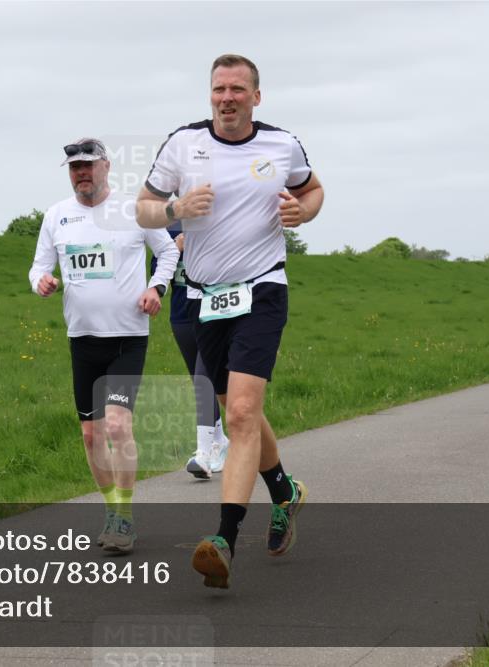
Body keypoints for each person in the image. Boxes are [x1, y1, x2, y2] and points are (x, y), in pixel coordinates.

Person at [136, 55, 325, 588]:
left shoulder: (281, 144)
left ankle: (223, 538)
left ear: (256, 98)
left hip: (263, 288)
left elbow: (313, 189)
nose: (227, 98)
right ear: (210, 95)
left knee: (241, 413)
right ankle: (283, 490)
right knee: (235, 409)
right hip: (205, 297)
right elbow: (142, 210)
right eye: (219, 89)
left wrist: (303, 212)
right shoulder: (182, 144)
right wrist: (175, 208)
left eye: (238, 89)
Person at [29, 138, 179, 553]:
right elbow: (39, 265)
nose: (81, 173)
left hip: (127, 338)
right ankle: (112, 510)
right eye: (74, 167)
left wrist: (156, 287)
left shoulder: (134, 211)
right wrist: (41, 281)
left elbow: (167, 253)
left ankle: (126, 519)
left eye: (88, 165)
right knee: (92, 434)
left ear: (106, 167)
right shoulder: (57, 216)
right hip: (83, 339)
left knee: (117, 424)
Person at [152, 227, 230, 479]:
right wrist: (175, 249)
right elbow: (157, 270)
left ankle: (204, 453)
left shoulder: (219, 220)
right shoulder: (167, 229)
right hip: (181, 315)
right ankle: (220, 440)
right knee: (201, 382)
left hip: (213, 309)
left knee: (202, 379)